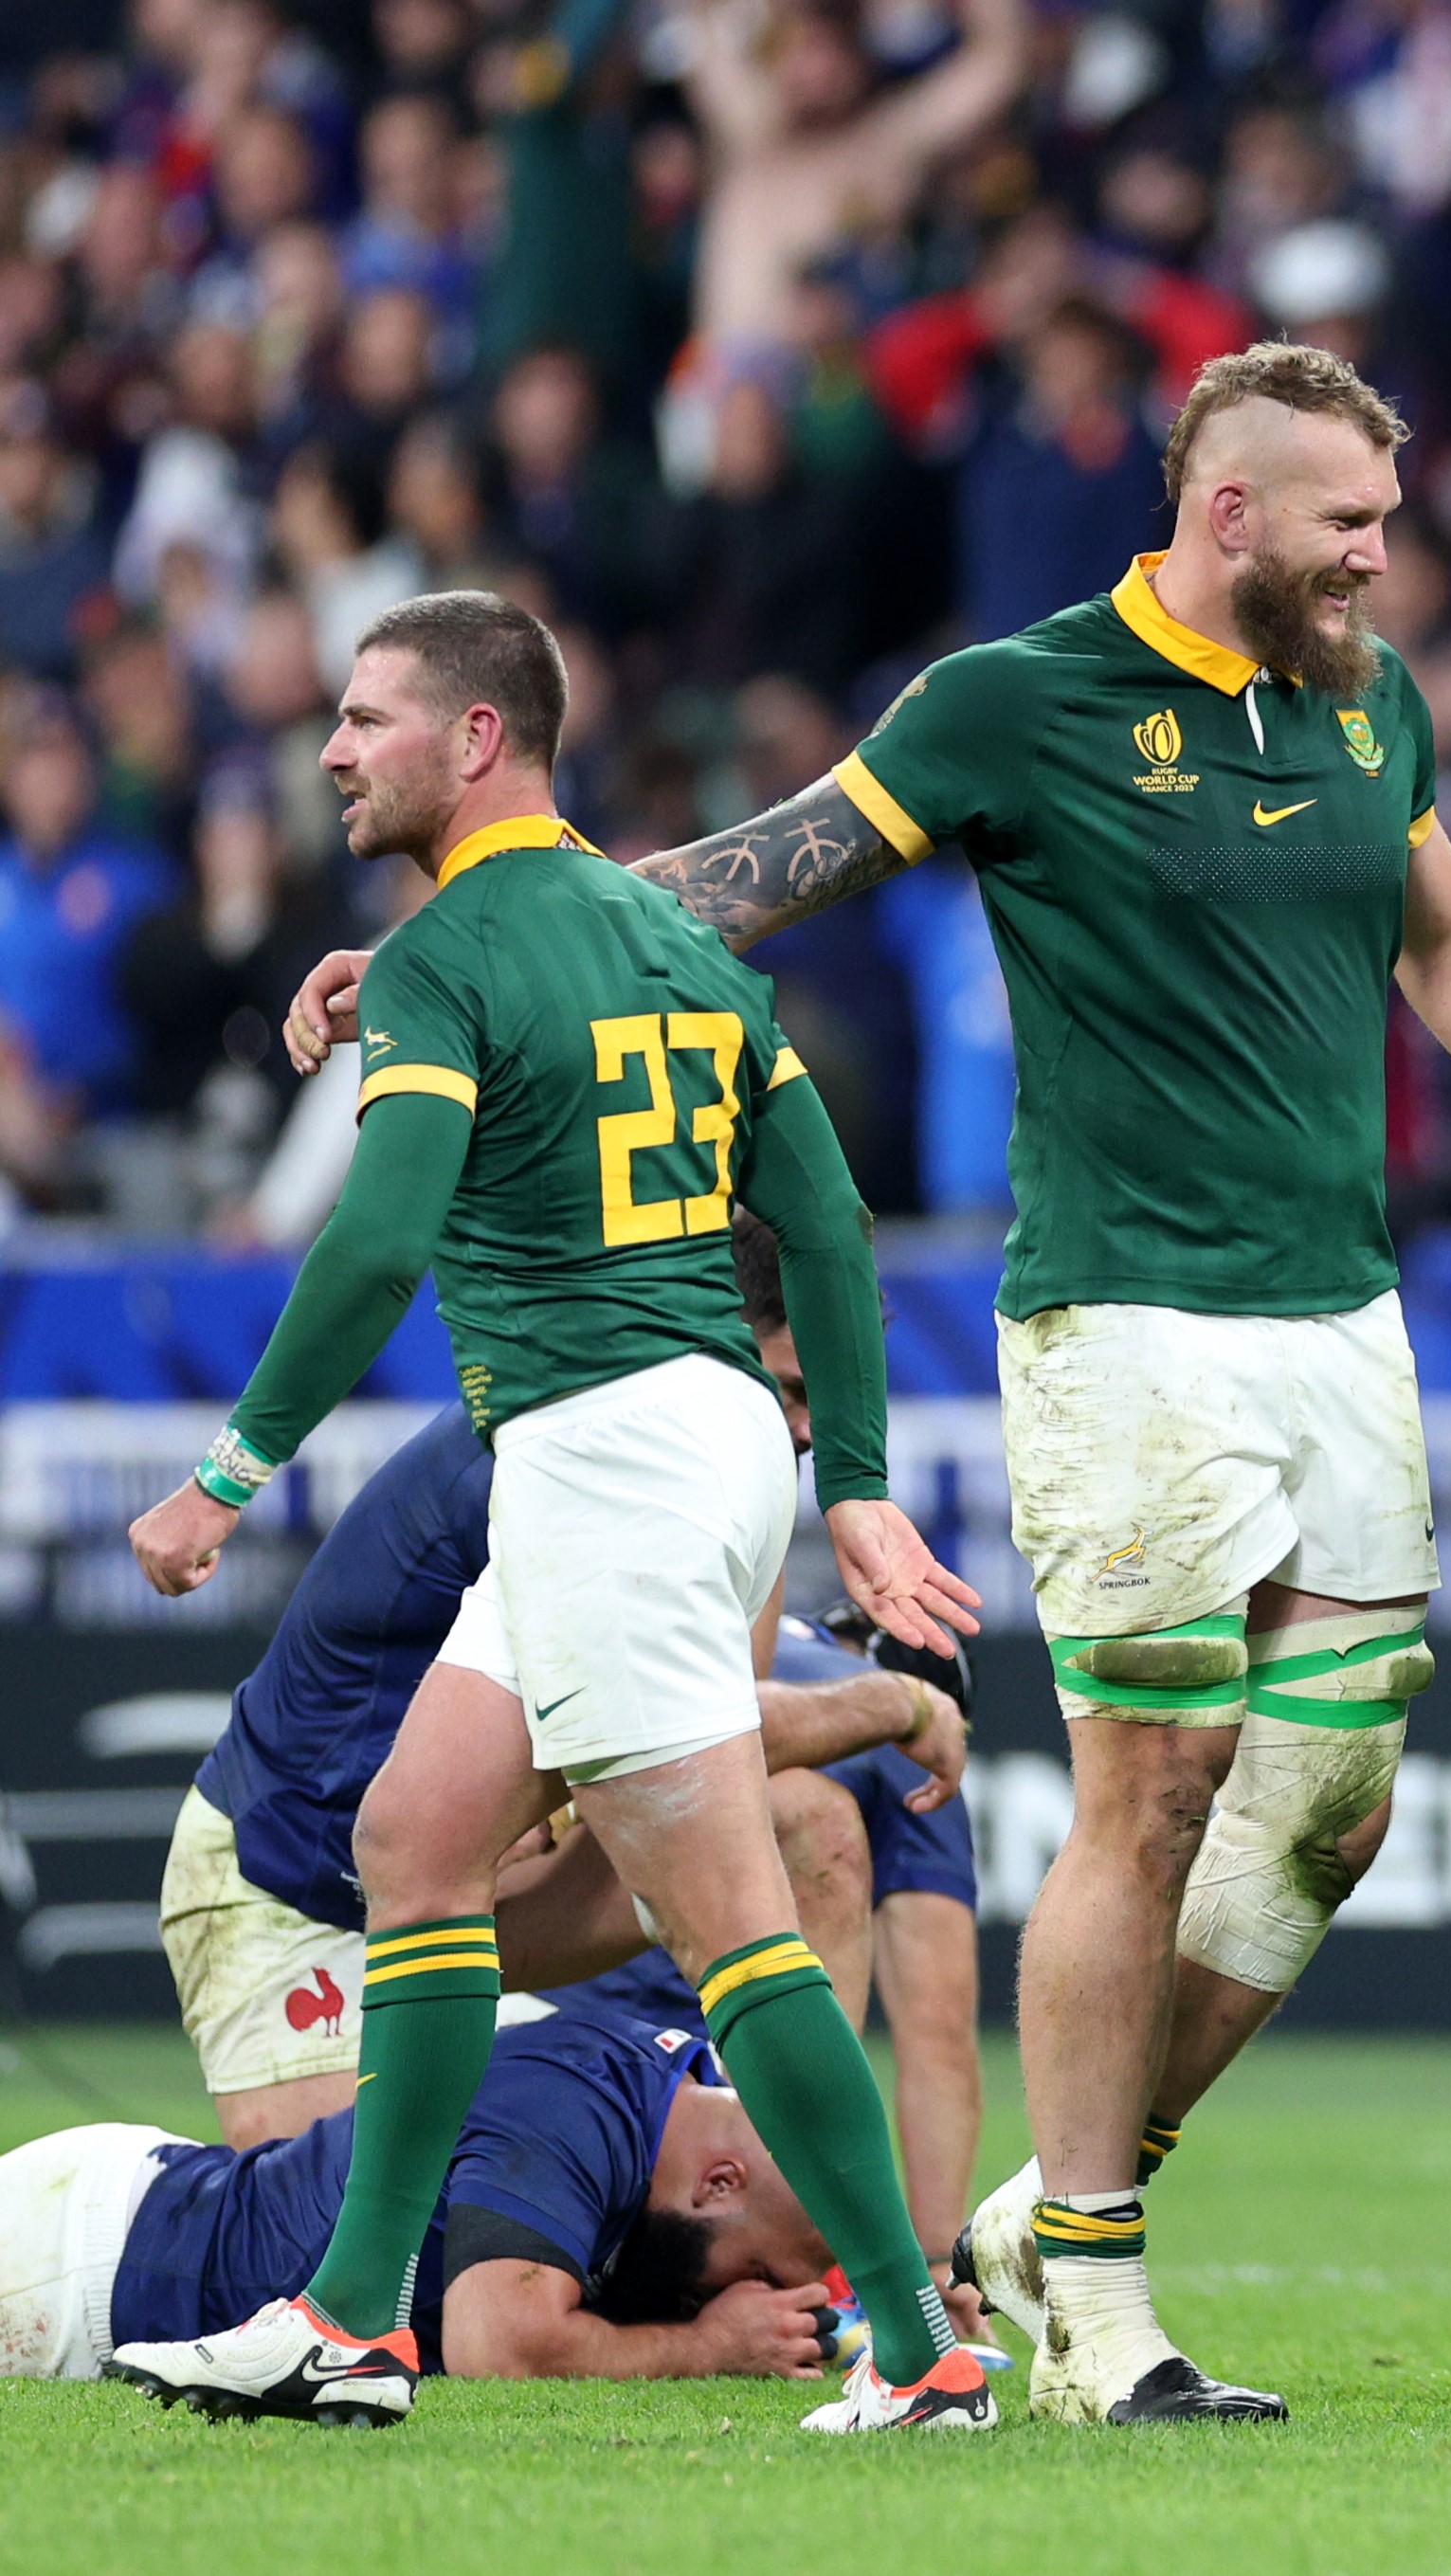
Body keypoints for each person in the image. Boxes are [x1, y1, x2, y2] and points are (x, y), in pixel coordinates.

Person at [288, 341, 1451, 2426]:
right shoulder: (1014, 700)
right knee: (1156, 1781)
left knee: (1329, 1803)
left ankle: (1055, 2218)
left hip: (1342, 1313)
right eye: (1350, 523)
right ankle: (1104, 2301)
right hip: (1125, 1319)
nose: (1378, 560)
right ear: (1226, 510)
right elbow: (772, 871)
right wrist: (477, 941)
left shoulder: (1368, 703)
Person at [112, 590, 986, 2436]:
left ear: (479, 738)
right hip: (682, 1437)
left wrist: (231, 1468)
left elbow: (375, 1235)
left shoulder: (453, 957)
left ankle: (917, 2345)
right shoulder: (671, 945)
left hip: (604, 1450)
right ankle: (354, 2321)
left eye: (367, 717)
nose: (334, 749)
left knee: (735, 1927)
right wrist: (847, 1494)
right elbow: (824, 1230)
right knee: (421, 1845)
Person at [157, 1215, 968, 2154]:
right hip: (289, 1892)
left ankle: (792, 2254)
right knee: (392, 2272)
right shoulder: (577, 1444)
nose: (802, 1430)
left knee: (806, 1826)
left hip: (466, 1889)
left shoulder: (728, 1459)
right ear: (706, 1335)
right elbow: (686, 1734)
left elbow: (720, 1746)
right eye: (787, 1389)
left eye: (821, 1400)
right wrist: (893, 1702)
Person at [3, 2016, 930, 2388]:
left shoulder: (689, 2106)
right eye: (759, 2275)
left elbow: (778, 2225)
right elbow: (504, 2343)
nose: (746, 2295)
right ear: (717, 2184)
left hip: (142, 2205)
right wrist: (709, 2346)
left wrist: (904, 2296)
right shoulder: (569, 2116)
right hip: (80, 2269)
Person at [547, 1611, 983, 2270]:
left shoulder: (707, 1646)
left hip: (542, 2068)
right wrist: (938, 2261)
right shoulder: (904, 1734)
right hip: (715, 2121)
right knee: (817, 1826)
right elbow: (937, 2027)